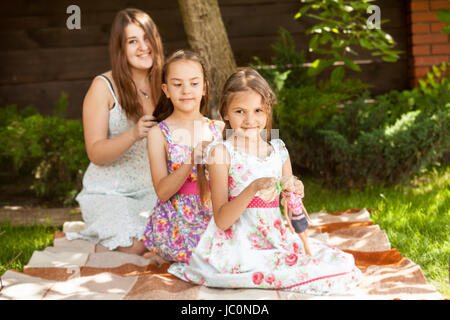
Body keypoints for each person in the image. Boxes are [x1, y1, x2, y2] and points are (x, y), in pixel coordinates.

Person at [168, 68, 362, 295]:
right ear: (226, 113)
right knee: (280, 271)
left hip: (275, 235)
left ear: (268, 111)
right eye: (240, 111)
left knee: (335, 264)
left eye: (258, 110)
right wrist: (252, 188)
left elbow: (289, 209)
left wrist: (294, 191)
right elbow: (222, 220)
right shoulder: (221, 152)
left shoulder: (278, 150)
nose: (250, 120)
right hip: (239, 242)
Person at [66, 8, 164, 255]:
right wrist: (133, 134)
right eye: (133, 41)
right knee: (136, 246)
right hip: (110, 193)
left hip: (154, 190)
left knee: (169, 238)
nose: (143, 47)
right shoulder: (103, 87)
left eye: (147, 38)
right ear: (120, 49)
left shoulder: (166, 84)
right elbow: (96, 153)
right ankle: (96, 241)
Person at [139, 49, 224, 263]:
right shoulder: (159, 133)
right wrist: (191, 160)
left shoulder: (219, 129)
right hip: (178, 220)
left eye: (194, 83)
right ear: (166, 90)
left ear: (204, 87)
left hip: (216, 211)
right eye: (177, 84)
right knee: (206, 258)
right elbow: (163, 192)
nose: (186, 90)